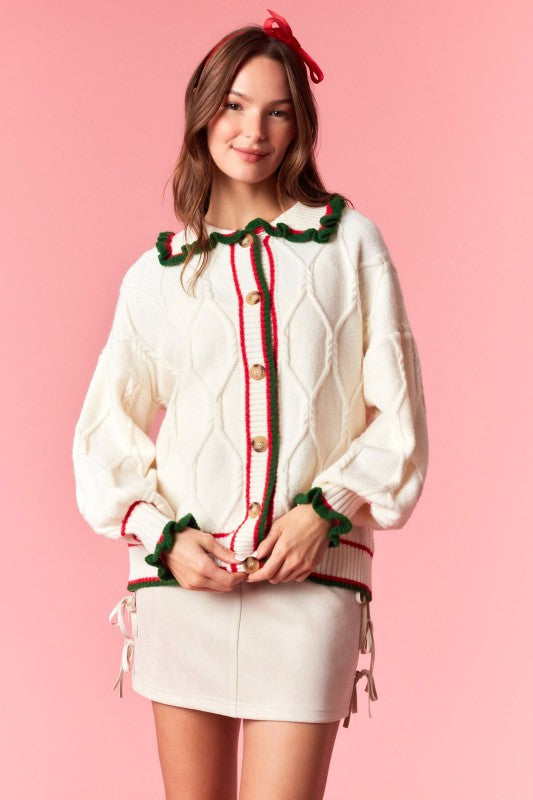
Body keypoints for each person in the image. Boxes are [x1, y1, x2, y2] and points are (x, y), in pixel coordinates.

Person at [72, 9, 429, 800]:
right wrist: (163, 539)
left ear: (299, 126)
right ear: (203, 112)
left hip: (310, 585)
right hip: (185, 589)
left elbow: (398, 419)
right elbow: (103, 437)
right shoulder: (156, 276)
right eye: (234, 105)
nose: (252, 131)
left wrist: (324, 512)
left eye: (277, 111)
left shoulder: (347, 244)